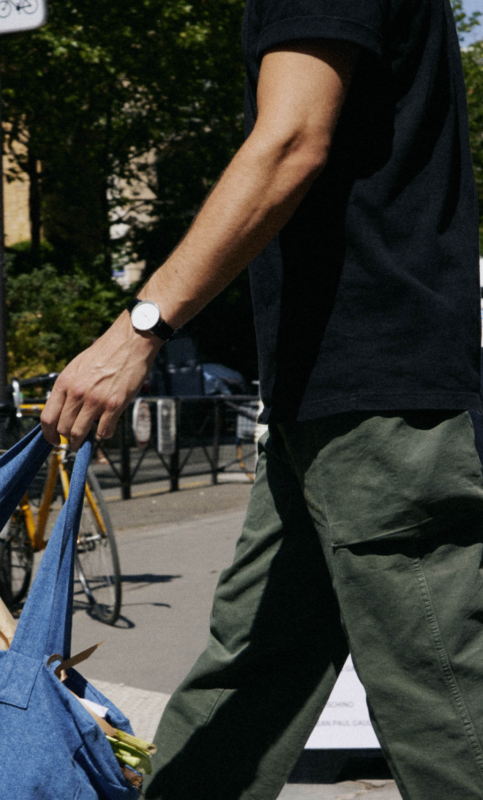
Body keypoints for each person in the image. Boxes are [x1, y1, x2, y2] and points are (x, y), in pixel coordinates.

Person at [40, 0, 483, 797]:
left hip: (375, 401)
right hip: (330, 401)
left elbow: (289, 141)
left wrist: (137, 329)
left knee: (445, 709)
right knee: (250, 679)